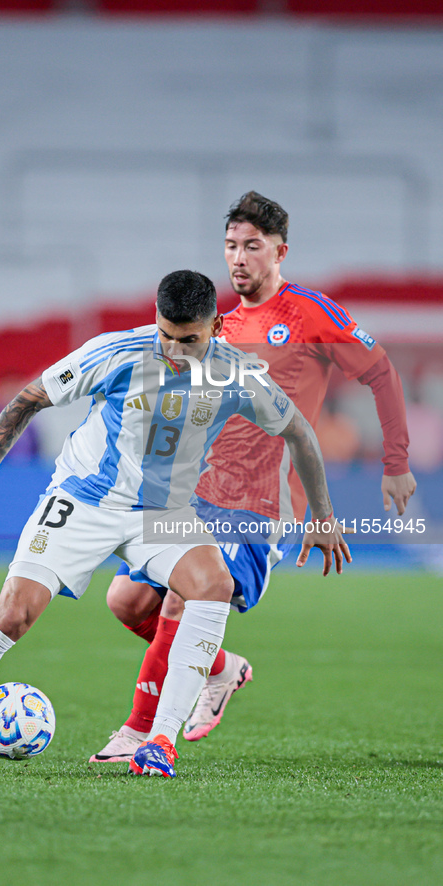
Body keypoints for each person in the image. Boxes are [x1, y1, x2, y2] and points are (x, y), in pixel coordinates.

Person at [0, 269, 350, 779]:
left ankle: (160, 743)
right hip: (85, 501)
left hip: (163, 514)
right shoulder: (114, 352)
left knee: (213, 584)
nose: (174, 350)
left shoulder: (239, 375)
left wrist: (323, 517)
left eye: (189, 340)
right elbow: (30, 397)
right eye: (166, 336)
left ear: (216, 327)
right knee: (15, 612)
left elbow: (300, 434)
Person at [90, 192, 416, 764]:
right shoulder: (219, 326)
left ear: (279, 251)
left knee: (180, 603)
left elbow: (382, 371)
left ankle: (140, 734)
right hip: (198, 495)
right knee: (125, 599)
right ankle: (221, 668)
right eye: (231, 246)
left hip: (262, 503)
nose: (238, 258)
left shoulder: (309, 313)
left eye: (252, 246)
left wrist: (395, 462)